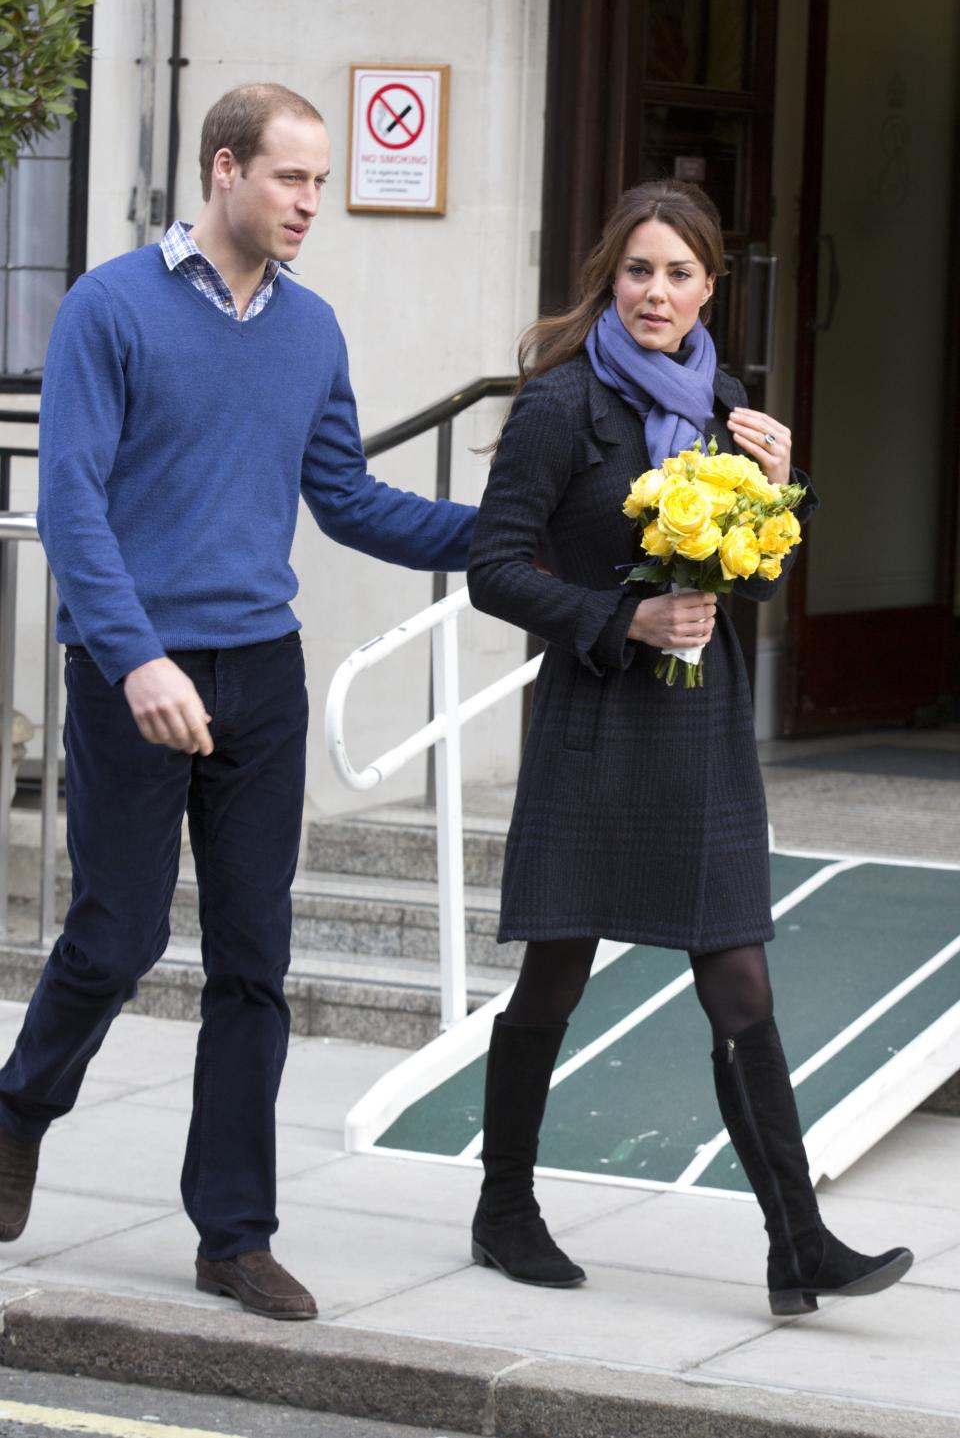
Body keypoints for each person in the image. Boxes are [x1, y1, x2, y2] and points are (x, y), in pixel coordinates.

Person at [0, 83, 475, 1321]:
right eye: (292, 179)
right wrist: (136, 656)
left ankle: (233, 1235)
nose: (313, 202)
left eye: (320, 182)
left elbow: (352, 500)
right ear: (225, 170)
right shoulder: (111, 307)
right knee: (117, 935)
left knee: (255, 961)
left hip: (261, 672)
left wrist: (511, 538)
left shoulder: (312, 330)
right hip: (133, 670)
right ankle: (16, 1111)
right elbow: (73, 505)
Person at [465, 179, 912, 1317]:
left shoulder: (727, 402)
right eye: (637, 271)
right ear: (608, 278)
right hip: (600, 721)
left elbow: (753, 573)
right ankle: (504, 1205)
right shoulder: (560, 407)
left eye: (678, 273)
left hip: (699, 722)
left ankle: (796, 1239)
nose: (656, 292)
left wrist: (778, 487)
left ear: (712, 285)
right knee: (555, 974)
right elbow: (495, 568)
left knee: (741, 976)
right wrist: (623, 620)